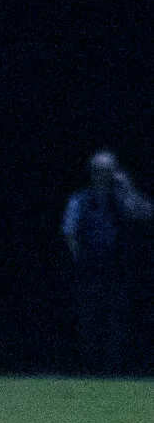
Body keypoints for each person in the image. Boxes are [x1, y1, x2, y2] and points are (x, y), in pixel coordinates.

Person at [61, 150, 152, 375]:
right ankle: (88, 372)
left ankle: (113, 374)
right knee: (88, 325)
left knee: (117, 326)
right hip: (88, 273)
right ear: (91, 173)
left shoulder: (122, 199)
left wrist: (127, 187)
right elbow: (69, 232)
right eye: (98, 171)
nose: (103, 175)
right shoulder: (80, 199)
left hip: (118, 273)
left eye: (108, 171)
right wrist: (81, 260)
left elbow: (144, 213)